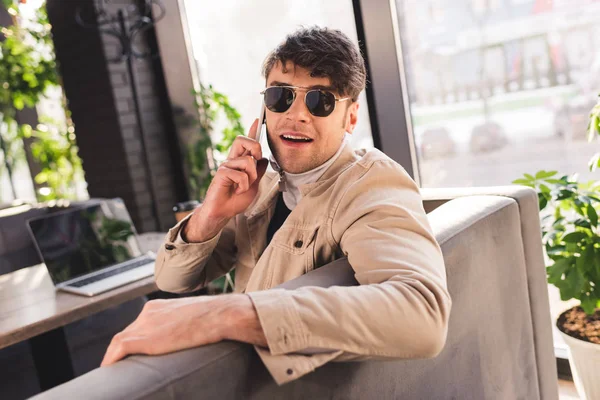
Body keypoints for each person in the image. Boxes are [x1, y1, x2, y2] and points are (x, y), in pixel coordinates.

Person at [101, 26, 451, 385]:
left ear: (350, 117)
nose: (295, 115)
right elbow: (171, 279)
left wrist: (223, 314)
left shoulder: (370, 184)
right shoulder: (261, 183)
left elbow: (422, 314)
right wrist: (213, 212)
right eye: (280, 96)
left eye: (319, 100)